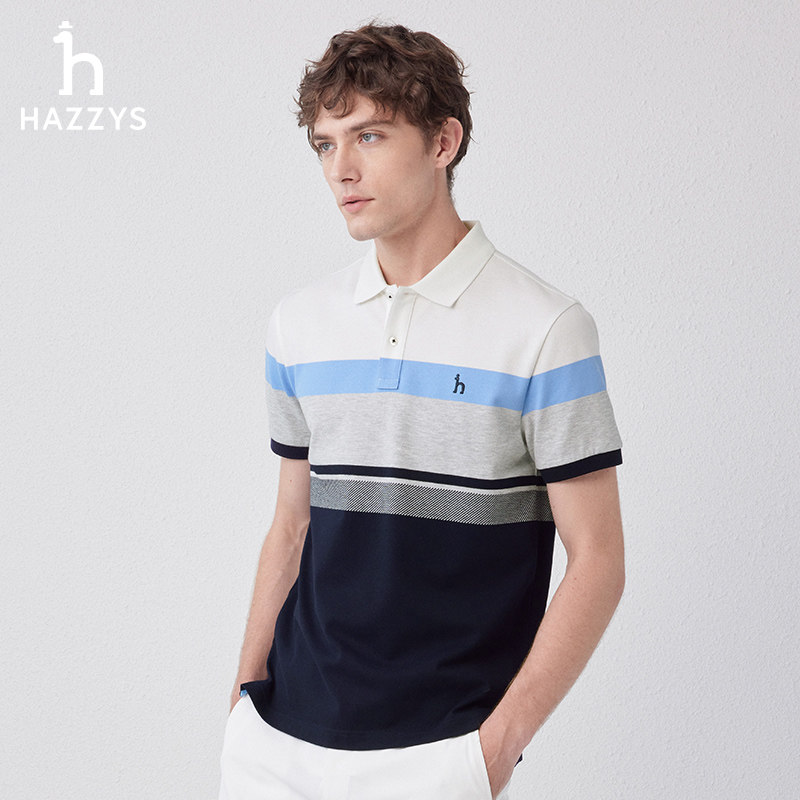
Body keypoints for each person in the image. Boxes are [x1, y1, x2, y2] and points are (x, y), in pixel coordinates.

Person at [219, 22, 625, 800]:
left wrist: (496, 747)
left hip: (438, 755)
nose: (341, 168)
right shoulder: (299, 325)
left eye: (369, 135)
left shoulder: (544, 330)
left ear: (443, 141)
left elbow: (600, 559)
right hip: (276, 743)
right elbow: (292, 524)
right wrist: (243, 699)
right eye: (325, 144)